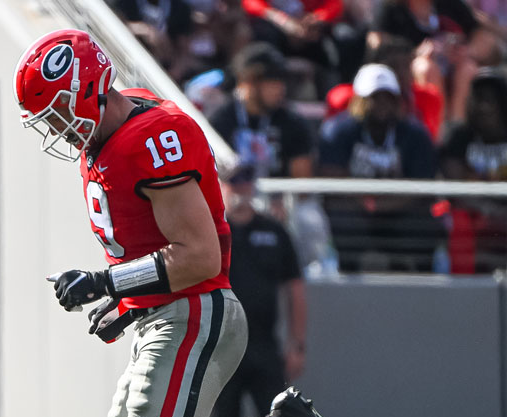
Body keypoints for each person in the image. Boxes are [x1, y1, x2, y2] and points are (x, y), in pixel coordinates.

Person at [14, 29, 371, 417]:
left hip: (194, 312)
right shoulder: (111, 136)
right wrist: (124, 303)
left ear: (86, 91)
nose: (54, 128)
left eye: (56, 111)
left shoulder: (150, 135)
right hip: (160, 314)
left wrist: (108, 283)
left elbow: (199, 256)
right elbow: (151, 247)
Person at [212, 165, 312, 417]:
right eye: (233, 184)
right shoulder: (213, 231)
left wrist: (297, 344)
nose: (240, 192)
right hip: (222, 345)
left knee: (279, 415)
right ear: (223, 187)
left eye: (245, 184)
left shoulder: (274, 231)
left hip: (263, 343)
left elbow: (294, 288)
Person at [319, 63, 441, 270]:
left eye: (388, 97)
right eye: (374, 98)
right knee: (343, 220)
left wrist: (382, 206)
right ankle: (346, 278)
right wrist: (367, 204)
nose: (381, 104)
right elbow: (333, 181)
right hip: (354, 211)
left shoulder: (415, 135)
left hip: (400, 211)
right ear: (358, 100)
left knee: (424, 225)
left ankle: (420, 284)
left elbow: (422, 187)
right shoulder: (337, 131)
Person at [208, 43, 316, 182]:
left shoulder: (293, 123)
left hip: (282, 199)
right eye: (272, 81)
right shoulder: (221, 120)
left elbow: (302, 184)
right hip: (232, 198)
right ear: (248, 81)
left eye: (281, 81)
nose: (281, 88)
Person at [439, 67, 507, 271]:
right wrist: (490, 211)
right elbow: (457, 189)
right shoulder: (458, 137)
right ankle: (463, 285)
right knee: (460, 221)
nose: (484, 107)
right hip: (475, 216)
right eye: (479, 99)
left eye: (491, 100)